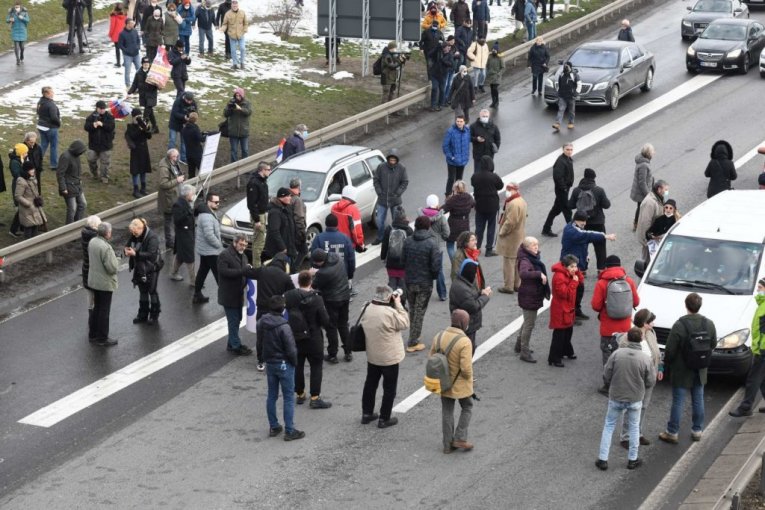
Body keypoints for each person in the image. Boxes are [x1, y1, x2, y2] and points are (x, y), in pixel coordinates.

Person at [659, 293, 717, 444]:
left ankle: (672, 432)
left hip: (681, 369)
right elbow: (713, 344)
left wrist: (668, 364)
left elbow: (670, 350)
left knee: (678, 401)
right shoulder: (709, 324)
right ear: (699, 306)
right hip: (700, 369)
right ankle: (697, 430)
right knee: (698, 399)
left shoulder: (679, 325)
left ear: (686, 305)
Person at [595, 327, 655, 472]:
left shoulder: (617, 354)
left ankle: (603, 459)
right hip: (635, 398)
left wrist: (610, 384)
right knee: (634, 427)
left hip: (616, 395)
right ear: (641, 339)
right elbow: (650, 380)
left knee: (609, 425)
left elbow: (607, 373)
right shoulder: (645, 359)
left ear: (627, 338)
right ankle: (632, 459)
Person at [360, 285, 410, 429]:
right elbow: (405, 322)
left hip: (372, 354)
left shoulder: (366, 307)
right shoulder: (390, 313)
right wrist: (398, 303)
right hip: (389, 357)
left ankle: (367, 413)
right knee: (389, 388)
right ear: (388, 297)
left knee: (370, 384)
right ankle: (384, 418)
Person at [257, 295, 304, 441]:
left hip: (270, 363)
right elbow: (291, 349)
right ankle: (289, 430)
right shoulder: (284, 326)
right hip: (284, 364)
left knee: (272, 395)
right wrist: (294, 362)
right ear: (283, 308)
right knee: (288, 397)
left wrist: (262, 358)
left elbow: (259, 342)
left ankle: (274, 425)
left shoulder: (261, 322)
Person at [591, 255, 640, 394]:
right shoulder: (628, 281)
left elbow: (595, 305)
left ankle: (608, 386)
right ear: (620, 265)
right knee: (623, 357)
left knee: (608, 358)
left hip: (608, 329)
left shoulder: (602, 283)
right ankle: (623, 385)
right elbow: (636, 302)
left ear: (606, 267)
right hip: (625, 328)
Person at [285, 270, 332, 409]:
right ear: (310, 282)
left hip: (296, 337)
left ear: (298, 282)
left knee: (298, 366)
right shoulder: (317, 298)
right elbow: (324, 320)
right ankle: (315, 397)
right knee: (316, 367)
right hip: (313, 337)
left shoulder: (289, 296)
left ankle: (300, 394)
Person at [618, 309, 662, 448]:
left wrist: (660, 368)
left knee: (643, 406)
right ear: (644, 323)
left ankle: (637, 433)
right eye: (651, 322)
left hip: (649, 376)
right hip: (635, 378)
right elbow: (623, 356)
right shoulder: (628, 337)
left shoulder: (651, 334)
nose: (653, 324)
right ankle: (625, 436)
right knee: (631, 406)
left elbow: (657, 352)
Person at [561, 210, 617, 320]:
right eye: (584, 221)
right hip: (570, 265)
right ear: (577, 220)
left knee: (579, 289)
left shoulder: (574, 227)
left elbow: (583, 242)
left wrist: (585, 255)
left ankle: (576, 311)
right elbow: (587, 236)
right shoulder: (572, 231)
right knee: (572, 292)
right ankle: (570, 315)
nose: (585, 223)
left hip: (575, 264)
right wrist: (605, 236)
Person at [434, 309, 475, 453]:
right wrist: (471, 379)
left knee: (447, 411)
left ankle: (447, 445)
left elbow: (432, 357)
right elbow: (465, 368)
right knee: (467, 406)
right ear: (464, 323)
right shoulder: (464, 341)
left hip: (443, 382)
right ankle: (460, 438)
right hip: (459, 383)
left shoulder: (439, 336)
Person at [402, 216, 442, 353]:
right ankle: (413, 341)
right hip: (424, 282)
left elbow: (402, 261)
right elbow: (436, 266)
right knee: (420, 311)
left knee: (413, 309)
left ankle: (414, 335)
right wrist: (433, 277)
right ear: (428, 227)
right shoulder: (432, 243)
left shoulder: (407, 241)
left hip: (409, 280)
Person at [729, 279, 765, 418]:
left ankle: (745, 407)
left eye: (760, 287)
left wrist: (761, 348)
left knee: (753, 379)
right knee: (762, 379)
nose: (758, 290)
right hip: (761, 348)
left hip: (763, 350)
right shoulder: (762, 304)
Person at [252, 254, 295, 371]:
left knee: (260, 336)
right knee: (277, 335)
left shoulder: (262, 271)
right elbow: (291, 292)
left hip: (261, 309)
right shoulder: (285, 277)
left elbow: (248, 272)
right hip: (277, 309)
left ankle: (260, 361)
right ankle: (276, 357)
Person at [311, 248, 352, 363]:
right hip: (345, 296)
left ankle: (333, 354)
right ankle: (348, 352)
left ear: (320, 262)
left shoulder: (323, 273)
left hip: (332, 300)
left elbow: (314, 286)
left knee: (331, 327)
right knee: (343, 325)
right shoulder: (337, 258)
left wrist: (313, 274)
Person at [218, 233, 257, 355]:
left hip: (238, 294)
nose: (243, 247)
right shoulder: (224, 255)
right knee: (234, 320)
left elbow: (244, 272)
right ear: (234, 243)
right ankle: (236, 346)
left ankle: (231, 343)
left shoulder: (244, 256)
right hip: (229, 295)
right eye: (241, 244)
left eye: (245, 245)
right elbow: (224, 272)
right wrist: (242, 271)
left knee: (237, 319)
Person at [568, 168, 611, 272]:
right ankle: (601, 268)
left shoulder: (576, 190)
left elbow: (570, 205)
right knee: (600, 246)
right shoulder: (599, 190)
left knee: (582, 246)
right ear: (594, 178)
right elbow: (607, 205)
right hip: (598, 223)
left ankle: (582, 269)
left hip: (581, 223)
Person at [515, 237, 549, 362]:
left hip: (530, 294)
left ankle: (519, 345)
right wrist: (539, 274)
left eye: (537, 245)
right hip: (530, 295)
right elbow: (523, 273)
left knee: (527, 321)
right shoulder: (525, 260)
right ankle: (524, 351)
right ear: (527, 247)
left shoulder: (529, 257)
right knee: (529, 324)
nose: (536, 247)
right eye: (533, 245)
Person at [125, 218, 163, 325]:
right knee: (142, 291)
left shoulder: (152, 237)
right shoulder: (135, 235)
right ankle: (142, 315)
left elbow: (152, 255)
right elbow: (128, 245)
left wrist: (135, 254)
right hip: (140, 267)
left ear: (141, 228)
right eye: (132, 232)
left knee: (152, 291)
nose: (133, 234)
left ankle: (154, 315)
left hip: (152, 267)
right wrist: (126, 250)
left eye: (135, 232)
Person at [449, 259, 491, 354]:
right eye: (475, 273)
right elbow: (473, 306)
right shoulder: (462, 288)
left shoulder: (463, 282)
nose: (476, 275)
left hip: (467, 322)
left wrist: (481, 293)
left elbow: (470, 296)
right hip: (466, 324)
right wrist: (485, 296)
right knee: (468, 349)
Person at [548, 254, 582, 367]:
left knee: (568, 331)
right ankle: (554, 358)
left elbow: (580, 280)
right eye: (572, 267)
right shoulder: (559, 277)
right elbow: (564, 293)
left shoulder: (569, 274)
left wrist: (576, 274)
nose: (574, 269)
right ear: (565, 266)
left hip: (568, 308)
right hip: (560, 309)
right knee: (559, 334)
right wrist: (574, 282)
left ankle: (566, 351)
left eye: (576, 266)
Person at [88, 222, 119, 347]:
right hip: (105, 283)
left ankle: (93, 334)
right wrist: (118, 259)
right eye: (110, 231)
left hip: (94, 281)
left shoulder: (92, 242)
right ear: (107, 233)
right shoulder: (106, 248)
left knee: (96, 308)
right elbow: (112, 268)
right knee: (104, 311)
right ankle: (102, 337)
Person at [372, 149, 409, 245]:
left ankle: (396, 238)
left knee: (396, 221)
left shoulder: (402, 168)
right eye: (391, 160)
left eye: (394, 160)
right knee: (380, 221)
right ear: (388, 159)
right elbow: (376, 180)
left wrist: (398, 193)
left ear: (397, 160)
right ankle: (380, 237)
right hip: (382, 199)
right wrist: (379, 192)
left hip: (395, 200)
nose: (392, 162)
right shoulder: (381, 167)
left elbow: (405, 182)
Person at [496, 182, 527, 294]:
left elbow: (510, 222)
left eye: (509, 189)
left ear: (515, 190)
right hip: (519, 235)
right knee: (517, 261)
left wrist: (502, 232)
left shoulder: (513, 203)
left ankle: (508, 286)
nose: (507, 192)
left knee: (508, 262)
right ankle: (517, 284)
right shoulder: (521, 201)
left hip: (511, 238)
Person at [193, 191, 223, 304]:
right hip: (210, 251)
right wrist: (218, 244)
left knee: (203, 271)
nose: (218, 204)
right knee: (219, 275)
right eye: (215, 202)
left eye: (218, 202)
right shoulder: (206, 216)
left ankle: (197, 294)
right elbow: (209, 235)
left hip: (206, 250)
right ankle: (226, 297)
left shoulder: (207, 211)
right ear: (208, 202)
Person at [418, 196, 450, 301]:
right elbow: (447, 233)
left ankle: (424, 294)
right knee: (439, 270)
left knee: (424, 270)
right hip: (437, 247)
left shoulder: (421, 216)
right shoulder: (441, 217)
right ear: (437, 204)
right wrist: (440, 239)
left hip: (424, 246)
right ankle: (442, 294)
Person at [380, 207, 414, 305]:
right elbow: (411, 248)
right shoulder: (409, 230)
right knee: (402, 286)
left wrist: (383, 257)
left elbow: (385, 245)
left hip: (391, 263)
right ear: (404, 218)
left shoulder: (389, 229)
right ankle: (401, 305)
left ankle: (392, 303)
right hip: (404, 264)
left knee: (392, 284)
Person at [310, 213, 355, 288]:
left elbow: (313, 259)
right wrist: (350, 276)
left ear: (326, 223)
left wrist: (316, 275)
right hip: (342, 275)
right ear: (337, 224)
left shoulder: (318, 238)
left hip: (324, 277)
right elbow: (351, 259)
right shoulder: (345, 238)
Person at [471, 155, 503, 257]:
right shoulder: (494, 176)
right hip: (492, 206)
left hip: (479, 205)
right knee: (491, 227)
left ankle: (476, 247)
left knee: (479, 228)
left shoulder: (475, 176)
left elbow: (473, 184)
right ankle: (489, 249)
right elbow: (500, 186)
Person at [542, 143, 574, 237]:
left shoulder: (568, 159)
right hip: (562, 190)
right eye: (567, 149)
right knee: (567, 210)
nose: (569, 151)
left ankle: (546, 229)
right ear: (563, 150)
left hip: (564, 189)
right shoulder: (561, 161)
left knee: (555, 210)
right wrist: (564, 188)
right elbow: (557, 177)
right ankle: (572, 231)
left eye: (571, 149)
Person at [157, 148, 187, 248]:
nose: (176, 158)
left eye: (177, 156)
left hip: (175, 196)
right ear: (170, 156)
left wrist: (181, 177)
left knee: (176, 219)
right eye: (174, 157)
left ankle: (176, 239)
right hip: (168, 198)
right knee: (168, 221)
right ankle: (169, 242)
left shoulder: (173, 162)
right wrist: (177, 180)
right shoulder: (164, 167)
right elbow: (163, 184)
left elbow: (176, 174)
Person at [246, 161, 271, 267]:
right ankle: (257, 266)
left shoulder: (262, 181)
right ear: (262, 170)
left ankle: (257, 264)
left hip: (262, 214)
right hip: (258, 216)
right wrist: (256, 220)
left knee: (260, 241)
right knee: (258, 242)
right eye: (268, 170)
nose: (270, 171)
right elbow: (252, 203)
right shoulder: (254, 183)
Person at [636, 180, 669, 262]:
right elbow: (645, 222)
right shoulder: (650, 202)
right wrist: (648, 239)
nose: (667, 192)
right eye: (666, 190)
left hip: (655, 237)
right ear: (659, 189)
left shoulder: (658, 199)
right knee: (648, 262)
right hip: (649, 240)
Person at [56, 140, 88, 225]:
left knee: (83, 204)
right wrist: (63, 188)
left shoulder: (76, 155)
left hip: (77, 185)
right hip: (68, 187)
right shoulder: (65, 157)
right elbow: (60, 174)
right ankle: (69, 228)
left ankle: (77, 224)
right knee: (72, 209)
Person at [84, 100, 116, 184]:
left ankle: (104, 177)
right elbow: (86, 127)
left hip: (106, 144)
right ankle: (94, 174)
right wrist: (93, 125)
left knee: (105, 162)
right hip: (93, 144)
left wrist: (102, 125)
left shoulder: (109, 117)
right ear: (97, 108)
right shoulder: (91, 117)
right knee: (91, 160)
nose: (102, 110)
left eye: (103, 108)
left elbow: (111, 127)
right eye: (100, 108)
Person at [264, 187, 298, 265]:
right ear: (282, 197)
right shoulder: (275, 212)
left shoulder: (286, 208)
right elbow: (274, 231)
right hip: (278, 250)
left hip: (288, 246)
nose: (290, 198)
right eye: (288, 196)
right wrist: (282, 247)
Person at [170, 184, 196, 283]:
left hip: (188, 233)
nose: (193, 195)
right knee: (190, 257)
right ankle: (194, 281)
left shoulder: (187, 203)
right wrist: (188, 212)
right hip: (183, 235)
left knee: (180, 255)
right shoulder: (178, 205)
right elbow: (177, 220)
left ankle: (173, 272)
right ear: (187, 194)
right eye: (192, 193)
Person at [125, 108, 153, 198]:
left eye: (140, 116)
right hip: (136, 150)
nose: (139, 118)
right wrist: (140, 129)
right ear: (133, 117)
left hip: (144, 149)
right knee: (135, 170)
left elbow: (149, 136)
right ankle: (135, 189)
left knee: (143, 169)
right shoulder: (130, 127)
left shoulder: (143, 124)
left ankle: (143, 188)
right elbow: (133, 136)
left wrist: (147, 128)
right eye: (137, 117)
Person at [443, 182, 475, 260]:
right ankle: (462, 263)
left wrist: (448, 199)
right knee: (462, 245)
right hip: (465, 224)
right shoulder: (468, 197)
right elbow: (473, 204)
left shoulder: (452, 199)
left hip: (453, 224)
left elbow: (443, 210)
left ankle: (455, 264)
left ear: (455, 189)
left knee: (450, 244)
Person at [14, 161, 45, 239]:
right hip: (27, 209)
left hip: (35, 207)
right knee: (28, 228)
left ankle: (35, 246)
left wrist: (38, 199)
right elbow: (18, 196)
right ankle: (28, 247)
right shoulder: (21, 181)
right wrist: (28, 204)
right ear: (26, 171)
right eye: (31, 169)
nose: (33, 171)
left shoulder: (32, 179)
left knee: (35, 226)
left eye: (33, 169)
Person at [331, 185, 366, 253]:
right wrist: (361, 244)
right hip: (348, 245)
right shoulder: (353, 210)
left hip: (335, 242)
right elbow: (356, 231)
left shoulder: (334, 207)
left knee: (338, 261)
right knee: (349, 263)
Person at [442, 115, 471, 196]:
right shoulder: (450, 131)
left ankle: (458, 194)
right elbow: (445, 146)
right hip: (452, 161)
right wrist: (451, 156)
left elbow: (469, 140)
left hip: (462, 160)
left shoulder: (467, 130)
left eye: (461, 121)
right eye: (457, 121)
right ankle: (448, 195)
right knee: (451, 179)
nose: (459, 123)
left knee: (459, 179)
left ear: (464, 122)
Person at [630, 143, 655, 232]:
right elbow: (642, 182)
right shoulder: (644, 165)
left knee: (640, 207)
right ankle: (637, 224)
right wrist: (648, 194)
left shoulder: (643, 161)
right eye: (653, 151)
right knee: (641, 207)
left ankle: (637, 223)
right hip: (642, 192)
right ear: (649, 153)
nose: (654, 153)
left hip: (642, 191)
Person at [81, 215, 102, 320]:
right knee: (97, 297)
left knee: (90, 296)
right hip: (94, 270)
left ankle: (91, 318)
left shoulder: (85, 234)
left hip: (86, 268)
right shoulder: (96, 238)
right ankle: (95, 320)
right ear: (95, 225)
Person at [37, 87, 61, 173]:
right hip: (50, 127)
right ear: (46, 94)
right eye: (51, 92)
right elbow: (54, 117)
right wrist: (58, 123)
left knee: (43, 145)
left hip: (41, 126)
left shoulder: (40, 102)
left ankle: (36, 161)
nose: (53, 93)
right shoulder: (51, 104)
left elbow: (38, 112)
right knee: (53, 146)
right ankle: (54, 165)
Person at [224, 87, 251, 162]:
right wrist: (230, 109)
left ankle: (245, 165)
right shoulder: (231, 102)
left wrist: (240, 109)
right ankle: (233, 167)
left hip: (244, 131)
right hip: (233, 131)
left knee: (245, 150)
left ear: (242, 95)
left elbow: (248, 112)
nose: (237, 97)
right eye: (236, 95)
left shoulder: (247, 103)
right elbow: (225, 114)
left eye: (239, 95)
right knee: (234, 151)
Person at [8, 143, 28, 238]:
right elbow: (17, 175)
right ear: (20, 153)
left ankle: (22, 227)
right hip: (18, 186)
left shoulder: (19, 160)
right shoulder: (15, 162)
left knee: (22, 208)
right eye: (25, 153)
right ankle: (13, 230)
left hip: (20, 185)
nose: (26, 154)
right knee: (20, 208)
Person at [553, 62, 580, 131]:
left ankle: (571, 123)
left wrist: (576, 93)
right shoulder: (561, 74)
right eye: (565, 66)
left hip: (571, 96)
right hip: (562, 95)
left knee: (571, 110)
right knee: (561, 109)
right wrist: (558, 92)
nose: (565, 68)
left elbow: (579, 84)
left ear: (570, 67)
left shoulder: (574, 75)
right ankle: (557, 124)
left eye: (567, 66)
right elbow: (559, 84)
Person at [220, 0, 247, 70]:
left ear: (238, 6)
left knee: (242, 48)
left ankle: (242, 63)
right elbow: (225, 24)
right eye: (233, 5)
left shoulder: (242, 13)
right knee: (233, 50)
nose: (234, 6)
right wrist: (222, 29)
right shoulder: (227, 14)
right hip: (232, 35)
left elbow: (246, 23)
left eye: (236, 5)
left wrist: (245, 30)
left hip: (241, 34)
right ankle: (235, 64)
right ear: (231, 5)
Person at [288, 178, 308, 270]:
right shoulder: (297, 200)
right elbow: (299, 218)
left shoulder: (288, 197)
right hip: (296, 231)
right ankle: (294, 269)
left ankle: (290, 268)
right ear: (299, 187)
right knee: (304, 251)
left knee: (291, 252)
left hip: (289, 231)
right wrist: (302, 233)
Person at [181, 112, 205, 179]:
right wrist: (207, 135)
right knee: (202, 171)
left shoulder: (184, 129)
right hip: (196, 153)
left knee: (191, 172)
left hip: (188, 153)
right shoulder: (195, 128)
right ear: (196, 119)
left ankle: (190, 187)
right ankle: (201, 187)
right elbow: (201, 139)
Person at [118, 19, 141, 87]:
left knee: (139, 70)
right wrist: (126, 50)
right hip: (127, 56)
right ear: (127, 24)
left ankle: (139, 84)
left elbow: (138, 40)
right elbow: (120, 45)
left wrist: (138, 47)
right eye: (132, 23)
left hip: (136, 54)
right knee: (127, 71)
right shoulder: (122, 34)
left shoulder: (134, 31)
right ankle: (128, 86)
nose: (133, 24)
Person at [7, 1, 30, 66]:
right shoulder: (11, 12)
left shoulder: (24, 12)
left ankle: (21, 55)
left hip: (22, 31)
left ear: (20, 6)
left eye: (18, 7)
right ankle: (18, 60)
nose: (16, 8)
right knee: (16, 47)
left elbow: (28, 20)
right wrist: (10, 20)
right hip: (15, 31)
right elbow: (7, 20)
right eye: (15, 7)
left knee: (22, 47)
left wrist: (22, 18)